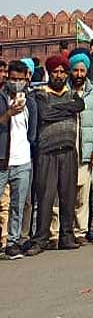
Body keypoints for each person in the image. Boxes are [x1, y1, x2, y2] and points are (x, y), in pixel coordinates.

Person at [28, 55, 85, 254]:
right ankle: (41, 239)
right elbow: (44, 114)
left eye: (62, 72)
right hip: (47, 152)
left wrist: (58, 109)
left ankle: (67, 236)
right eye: (55, 72)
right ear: (49, 73)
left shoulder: (72, 94)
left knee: (68, 196)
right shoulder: (39, 94)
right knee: (45, 196)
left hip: (68, 151)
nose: (59, 75)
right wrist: (65, 110)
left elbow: (79, 106)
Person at [49, 52, 93, 247]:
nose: (79, 74)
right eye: (75, 70)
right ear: (70, 71)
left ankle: (79, 231)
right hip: (64, 150)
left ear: (87, 71)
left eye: (82, 70)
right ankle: (55, 232)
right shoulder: (62, 93)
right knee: (60, 194)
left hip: (86, 151)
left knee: (82, 194)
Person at [1, 61, 37, 259]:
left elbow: (32, 131)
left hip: (22, 160)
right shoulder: (1, 98)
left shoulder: (30, 101)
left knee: (19, 205)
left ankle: (13, 242)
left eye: (20, 79)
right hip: (2, 161)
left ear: (26, 79)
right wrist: (8, 113)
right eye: (13, 79)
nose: (16, 83)